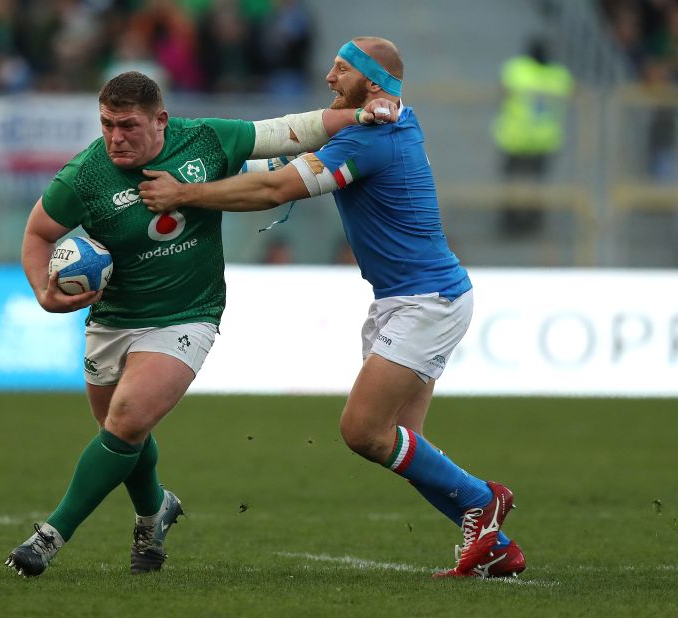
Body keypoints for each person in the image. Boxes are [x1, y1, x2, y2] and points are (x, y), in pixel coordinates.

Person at [139, 37, 526, 578]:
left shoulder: (372, 138)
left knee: (363, 431)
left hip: (427, 301)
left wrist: (183, 195)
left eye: (340, 69)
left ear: (370, 82)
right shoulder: (378, 123)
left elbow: (274, 189)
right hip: (408, 299)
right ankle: (498, 546)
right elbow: (281, 157)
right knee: (405, 447)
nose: (328, 77)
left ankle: (483, 501)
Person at [5, 70, 397, 577]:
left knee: (125, 421)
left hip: (189, 313)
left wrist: (364, 114)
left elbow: (293, 129)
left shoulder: (205, 141)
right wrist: (44, 292)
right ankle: (154, 512)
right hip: (113, 319)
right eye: (106, 125)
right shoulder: (84, 176)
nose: (115, 137)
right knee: (122, 433)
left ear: (161, 121)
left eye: (127, 125)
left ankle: (49, 537)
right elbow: (38, 233)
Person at [492, 37, 573, 237]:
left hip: (516, 137)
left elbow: (503, 92)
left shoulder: (517, 71)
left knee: (516, 183)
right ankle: (529, 222)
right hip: (541, 139)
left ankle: (513, 222)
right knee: (534, 183)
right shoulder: (559, 76)